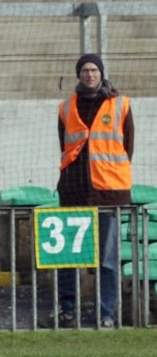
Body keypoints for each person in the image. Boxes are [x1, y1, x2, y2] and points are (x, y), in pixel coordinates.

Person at [55, 54, 134, 329]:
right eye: (85, 70)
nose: (90, 74)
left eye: (94, 69)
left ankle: (107, 314)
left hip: (108, 192)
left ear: (101, 73)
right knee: (68, 257)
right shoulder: (66, 107)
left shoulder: (121, 104)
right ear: (79, 75)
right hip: (74, 192)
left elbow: (128, 147)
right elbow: (65, 147)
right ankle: (68, 311)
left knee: (107, 259)